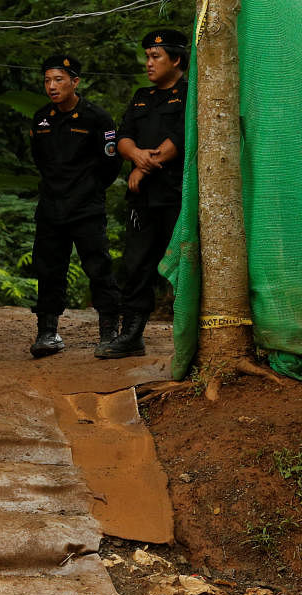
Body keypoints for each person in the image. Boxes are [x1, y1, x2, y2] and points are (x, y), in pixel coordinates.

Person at [99, 29, 189, 359]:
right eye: (147, 57)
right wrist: (136, 156)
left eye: (156, 57)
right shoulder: (141, 96)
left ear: (176, 59)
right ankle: (132, 334)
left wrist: (143, 164)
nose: (148, 63)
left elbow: (179, 140)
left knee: (184, 265)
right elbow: (123, 137)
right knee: (136, 265)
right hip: (142, 200)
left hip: (177, 196)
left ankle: (191, 337)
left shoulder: (189, 94)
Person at [27, 54, 122, 358]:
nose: (52, 86)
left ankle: (109, 332)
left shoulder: (98, 118)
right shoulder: (41, 118)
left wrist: (89, 191)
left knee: (98, 267)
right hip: (51, 207)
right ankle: (47, 331)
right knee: (48, 269)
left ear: (75, 82)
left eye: (58, 80)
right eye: (47, 80)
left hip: (85, 208)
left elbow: (110, 164)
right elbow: (39, 160)